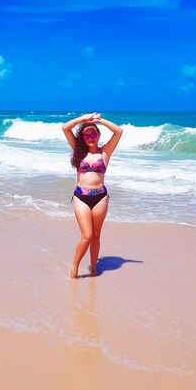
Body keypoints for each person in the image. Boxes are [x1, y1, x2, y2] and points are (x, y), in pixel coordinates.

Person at [62, 112, 123, 278]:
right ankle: (74, 268)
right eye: (86, 134)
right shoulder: (78, 151)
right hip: (81, 197)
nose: (90, 137)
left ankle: (94, 269)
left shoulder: (105, 153)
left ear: (98, 135)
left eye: (93, 133)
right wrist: (83, 119)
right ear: (82, 137)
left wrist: (100, 120)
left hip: (100, 197)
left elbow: (119, 131)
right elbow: (65, 128)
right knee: (87, 235)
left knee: (96, 236)